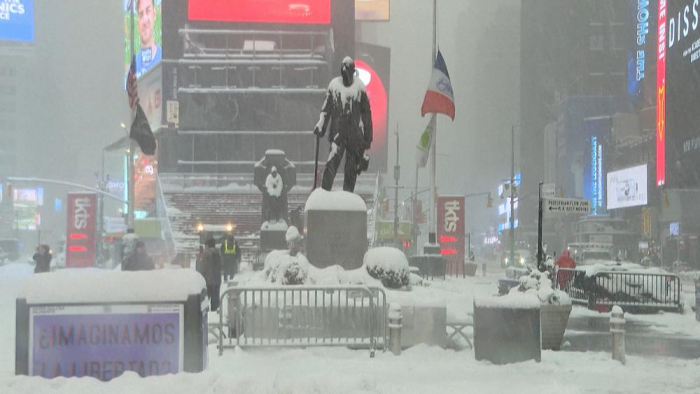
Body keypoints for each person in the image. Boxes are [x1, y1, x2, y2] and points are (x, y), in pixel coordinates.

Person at [314, 56, 373, 193]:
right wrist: (320, 126)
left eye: (348, 69)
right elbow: (326, 110)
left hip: (354, 137)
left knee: (351, 170)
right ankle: (324, 194)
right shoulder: (334, 86)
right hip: (338, 135)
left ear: (353, 71)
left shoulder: (360, 88)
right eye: (344, 69)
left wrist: (367, 138)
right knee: (332, 164)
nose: (346, 72)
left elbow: (366, 115)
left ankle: (348, 196)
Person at [134, 0, 161, 78]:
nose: (145, 20)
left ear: (154, 14)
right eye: (141, 14)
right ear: (138, 22)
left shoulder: (164, 59)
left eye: (148, 11)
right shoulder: (132, 68)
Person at [198, 237, 222, 311]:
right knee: (215, 297)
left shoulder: (206, 254)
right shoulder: (219, 253)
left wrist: (200, 275)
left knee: (205, 298)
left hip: (208, 279)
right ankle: (215, 311)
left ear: (207, 245)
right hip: (217, 279)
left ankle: (206, 311)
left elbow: (203, 267)